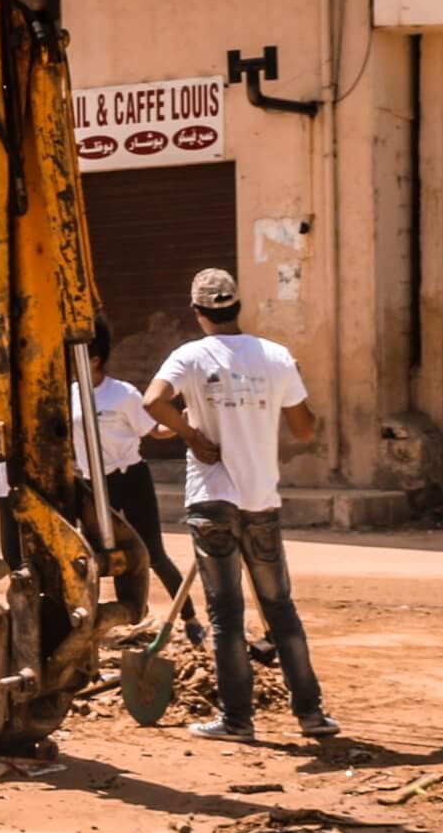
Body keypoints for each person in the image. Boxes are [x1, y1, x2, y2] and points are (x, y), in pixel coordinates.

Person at [142, 268, 338, 742]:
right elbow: (306, 429)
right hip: (260, 502)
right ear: (237, 307)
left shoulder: (189, 356)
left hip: (211, 501)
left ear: (198, 312)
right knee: (280, 608)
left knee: (225, 616)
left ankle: (237, 721)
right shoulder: (276, 357)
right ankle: (310, 715)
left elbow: (153, 403)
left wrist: (192, 435)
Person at [75, 317, 200, 640]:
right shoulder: (68, 396)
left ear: (95, 359)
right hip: (91, 486)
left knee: (151, 553)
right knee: (103, 556)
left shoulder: (122, 394)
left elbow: (153, 431)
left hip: (130, 480)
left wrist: (182, 425)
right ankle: (126, 622)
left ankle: (189, 619)